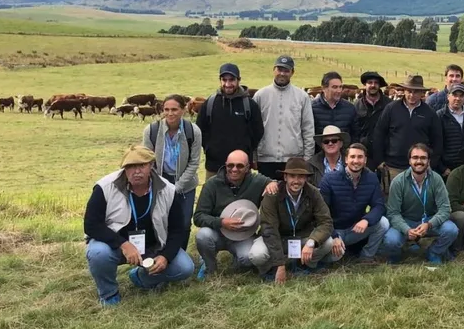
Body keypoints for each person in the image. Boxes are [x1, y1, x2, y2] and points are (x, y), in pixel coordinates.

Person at [84, 146, 195, 305]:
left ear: (151, 165)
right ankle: (109, 294)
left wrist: (165, 256)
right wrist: (123, 244)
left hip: (153, 247)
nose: (136, 171)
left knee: (185, 268)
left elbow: (178, 229)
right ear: (124, 168)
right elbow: (91, 225)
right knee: (98, 253)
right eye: (130, 166)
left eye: (141, 165)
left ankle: (141, 279)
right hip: (116, 246)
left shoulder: (169, 190)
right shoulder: (104, 187)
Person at [193, 149, 278, 280]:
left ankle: (238, 260)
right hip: (218, 232)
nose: (234, 169)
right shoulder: (212, 184)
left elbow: (274, 183)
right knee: (203, 236)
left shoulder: (256, 181)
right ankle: (210, 266)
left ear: (248, 168)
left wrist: (272, 183)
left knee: (248, 260)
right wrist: (221, 222)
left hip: (243, 235)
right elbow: (198, 217)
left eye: (240, 166)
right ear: (225, 165)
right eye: (230, 165)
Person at [260, 157, 337, 283]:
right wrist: (280, 264)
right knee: (256, 255)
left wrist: (312, 242)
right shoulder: (272, 194)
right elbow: (269, 229)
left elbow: (326, 222)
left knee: (328, 242)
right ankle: (271, 269)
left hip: (302, 238)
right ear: (285, 177)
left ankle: (305, 265)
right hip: (279, 238)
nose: (296, 181)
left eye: (301, 176)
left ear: (306, 178)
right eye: (292, 176)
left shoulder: (313, 193)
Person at [142, 94, 202, 250]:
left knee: (183, 221)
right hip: (159, 181)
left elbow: (194, 162)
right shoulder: (151, 130)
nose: (170, 113)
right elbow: (147, 161)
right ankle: (159, 251)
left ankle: (179, 253)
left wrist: (178, 186)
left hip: (186, 183)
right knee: (159, 219)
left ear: (183, 110)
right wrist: (160, 184)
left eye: (174, 109)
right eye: (166, 109)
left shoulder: (193, 131)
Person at [382, 144, 457, 264]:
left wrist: (429, 224)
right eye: (415, 157)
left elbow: (445, 209)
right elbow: (393, 213)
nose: (419, 161)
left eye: (423, 158)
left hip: (429, 220)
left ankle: (434, 251)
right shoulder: (398, 181)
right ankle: (396, 254)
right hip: (406, 221)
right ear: (409, 160)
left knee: (451, 230)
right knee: (391, 240)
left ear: (429, 161)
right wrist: (406, 230)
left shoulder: (436, 179)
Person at [319, 143, 390, 265]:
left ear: (365, 160)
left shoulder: (372, 178)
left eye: (360, 157)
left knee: (383, 223)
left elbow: (379, 205)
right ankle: (322, 260)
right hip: (335, 230)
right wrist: (334, 236)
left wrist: (366, 220)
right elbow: (322, 212)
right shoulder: (329, 179)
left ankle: (366, 257)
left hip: (356, 229)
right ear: (346, 159)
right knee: (337, 256)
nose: (356, 161)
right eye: (352, 157)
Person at [371, 74, 443, 191]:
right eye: (409, 91)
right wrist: (379, 161)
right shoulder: (391, 108)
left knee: (417, 202)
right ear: (404, 91)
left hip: (419, 166)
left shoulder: (429, 113)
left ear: (422, 93)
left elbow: (437, 139)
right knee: (392, 202)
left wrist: (431, 162)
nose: (411, 95)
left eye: (416, 92)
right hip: (393, 166)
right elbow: (379, 134)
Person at [196, 62, 263, 181]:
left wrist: (246, 149)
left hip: (241, 167)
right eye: (224, 80)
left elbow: (258, 131)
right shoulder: (210, 103)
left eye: (231, 80)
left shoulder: (249, 105)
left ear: (238, 80)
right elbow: (200, 130)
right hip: (214, 166)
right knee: (213, 198)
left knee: (242, 199)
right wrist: (210, 148)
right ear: (220, 80)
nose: (228, 84)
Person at [254, 56, 315, 180]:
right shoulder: (260, 95)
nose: (282, 73)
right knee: (268, 197)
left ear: (292, 72)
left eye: (286, 70)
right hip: (265, 159)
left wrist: (307, 157)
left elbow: (308, 128)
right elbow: (253, 129)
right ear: (273, 70)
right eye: (279, 69)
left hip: (293, 159)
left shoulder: (302, 97)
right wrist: (254, 156)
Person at [435, 83, 464, 176]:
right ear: (448, 96)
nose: (458, 98)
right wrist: (442, 168)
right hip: (447, 170)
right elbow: (434, 144)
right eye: (454, 95)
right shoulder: (440, 116)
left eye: (461, 96)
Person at [354, 70, 390, 164]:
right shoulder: (356, 106)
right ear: (365, 85)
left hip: (385, 153)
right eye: (370, 82)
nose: (373, 85)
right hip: (364, 154)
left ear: (379, 85)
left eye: (376, 83)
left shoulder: (390, 105)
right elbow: (354, 130)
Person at [311, 71, 359, 140]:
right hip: (320, 150)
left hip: (343, 150)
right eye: (335, 87)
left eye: (340, 87)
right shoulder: (312, 108)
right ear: (324, 88)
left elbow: (355, 134)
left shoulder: (350, 108)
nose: (339, 91)